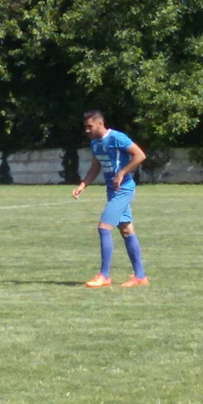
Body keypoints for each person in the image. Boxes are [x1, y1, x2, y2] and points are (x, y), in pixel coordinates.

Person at [72, 110, 149, 288]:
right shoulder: (95, 143)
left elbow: (140, 155)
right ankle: (140, 276)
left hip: (124, 189)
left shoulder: (117, 138)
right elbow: (95, 167)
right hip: (112, 191)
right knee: (127, 231)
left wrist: (122, 173)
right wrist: (83, 185)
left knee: (104, 227)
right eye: (85, 127)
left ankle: (104, 276)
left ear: (100, 123)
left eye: (90, 126)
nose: (87, 130)